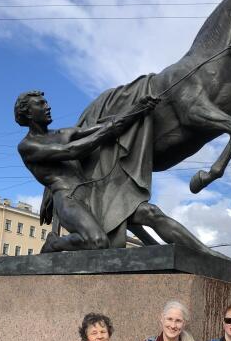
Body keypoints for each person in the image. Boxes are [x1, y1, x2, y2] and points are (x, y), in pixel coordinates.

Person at [14, 90, 159, 252]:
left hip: (92, 195)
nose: (47, 107)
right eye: (40, 104)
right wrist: (107, 131)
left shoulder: (64, 132)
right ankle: (54, 243)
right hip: (68, 198)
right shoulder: (27, 146)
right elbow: (70, 151)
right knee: (98, 242)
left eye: (46, 102)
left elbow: (104, 126)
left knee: (144, 216)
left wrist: (138, 108)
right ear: (28, 113)